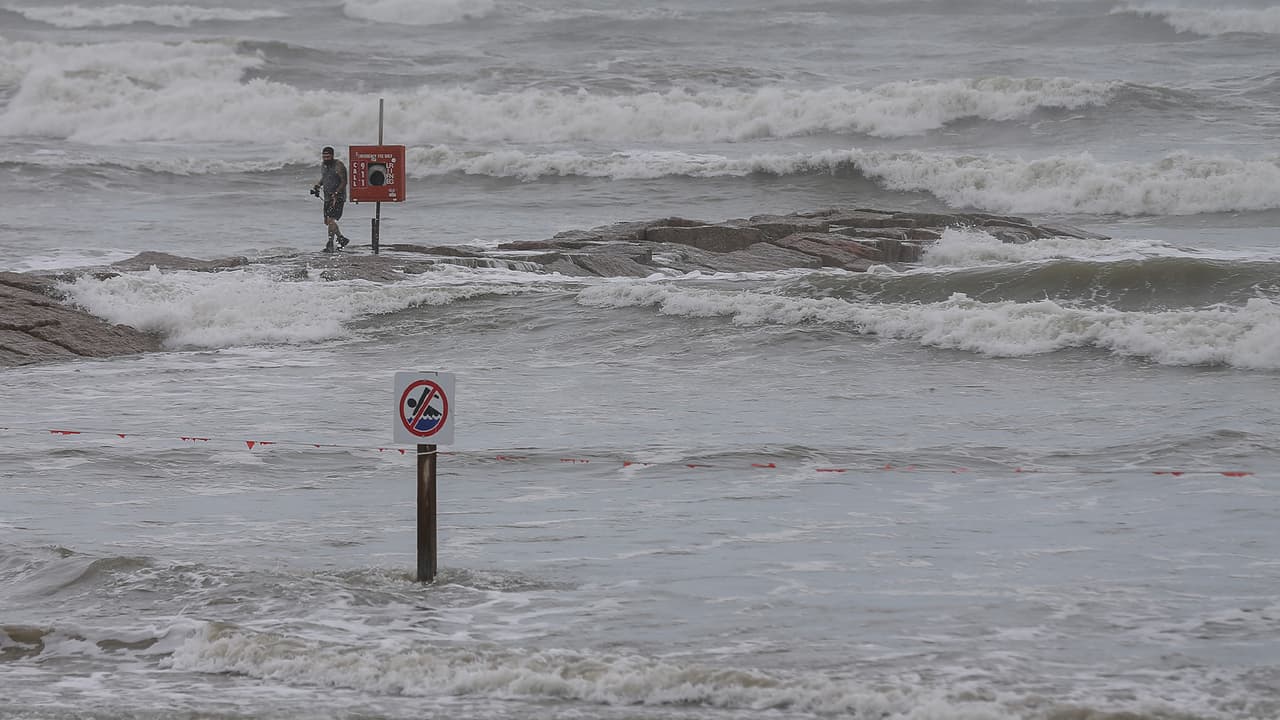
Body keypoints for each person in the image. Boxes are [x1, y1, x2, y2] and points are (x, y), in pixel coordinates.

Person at [312, 146, 350, 252]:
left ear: (332, 156)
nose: (326, 158)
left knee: (330, 220)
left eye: (328, 156)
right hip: (327, 196)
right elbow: (325, 177)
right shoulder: (323, 165)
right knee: (328, 221)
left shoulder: (339, 165)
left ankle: (330, 243)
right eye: (324, 156)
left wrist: (337, 193)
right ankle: (341, 238)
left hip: (338, 197)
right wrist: (318, 185)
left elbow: (344, 181)